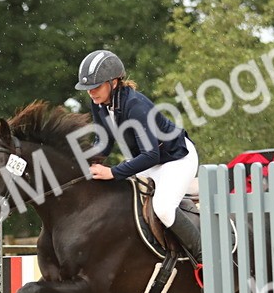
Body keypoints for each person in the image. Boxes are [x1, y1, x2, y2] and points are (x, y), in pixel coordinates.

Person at [74, 48, 202, 268]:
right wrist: (84, 164)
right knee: (124, 200)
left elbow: (151, 155)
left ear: (113, 82)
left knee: (162, 207)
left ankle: (204, 257)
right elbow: (103, 142)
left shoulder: (135, 105)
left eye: (95, 87)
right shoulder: (100, 104)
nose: (91, 93)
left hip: (176, 159)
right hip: (150, 162)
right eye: (88, 89)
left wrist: (112, 172)